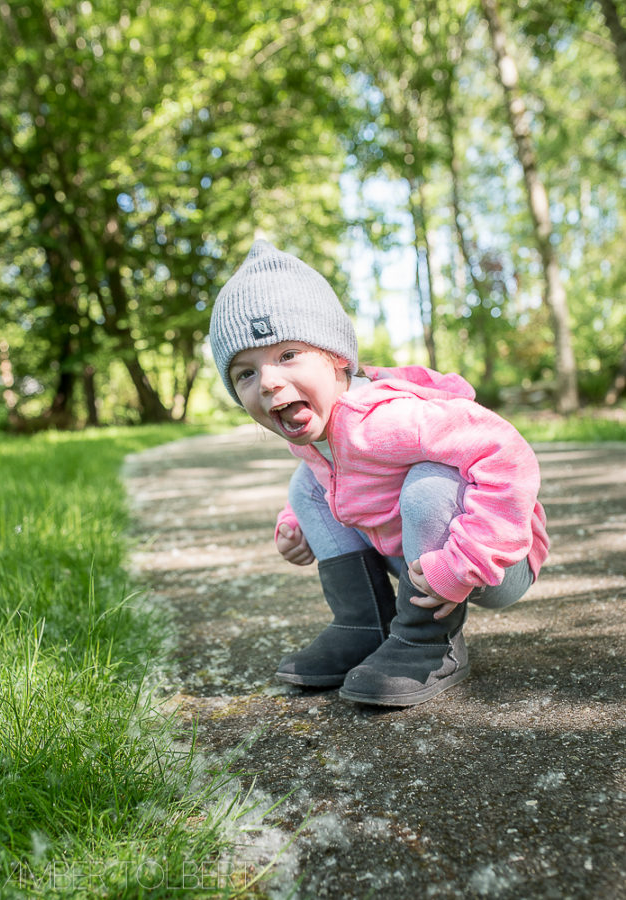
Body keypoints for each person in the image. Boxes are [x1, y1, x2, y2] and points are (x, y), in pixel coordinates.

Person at [208, 240, 549, 707]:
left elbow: (509, 455)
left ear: (337, 359)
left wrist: (463, 562)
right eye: (245, 374)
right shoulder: (313, 429)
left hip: (493, 558)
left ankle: (429, 644)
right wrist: (299, 521)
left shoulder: (387, 419)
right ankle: (362, 625)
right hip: (414, 559)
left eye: (287, 355)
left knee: (430, 483)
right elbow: (333, 475)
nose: (267, 382)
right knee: (303, 485)